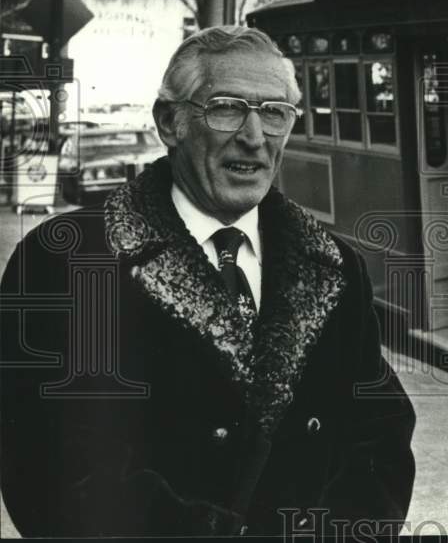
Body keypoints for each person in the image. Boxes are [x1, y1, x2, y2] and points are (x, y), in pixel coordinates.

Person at [0, 27, 416, 536]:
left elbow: (380, 436)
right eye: (227, 108)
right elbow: (48, 465)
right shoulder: (66, 259)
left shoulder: (334, 266)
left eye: (274, 113)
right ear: (170, 122)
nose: (254, 136)